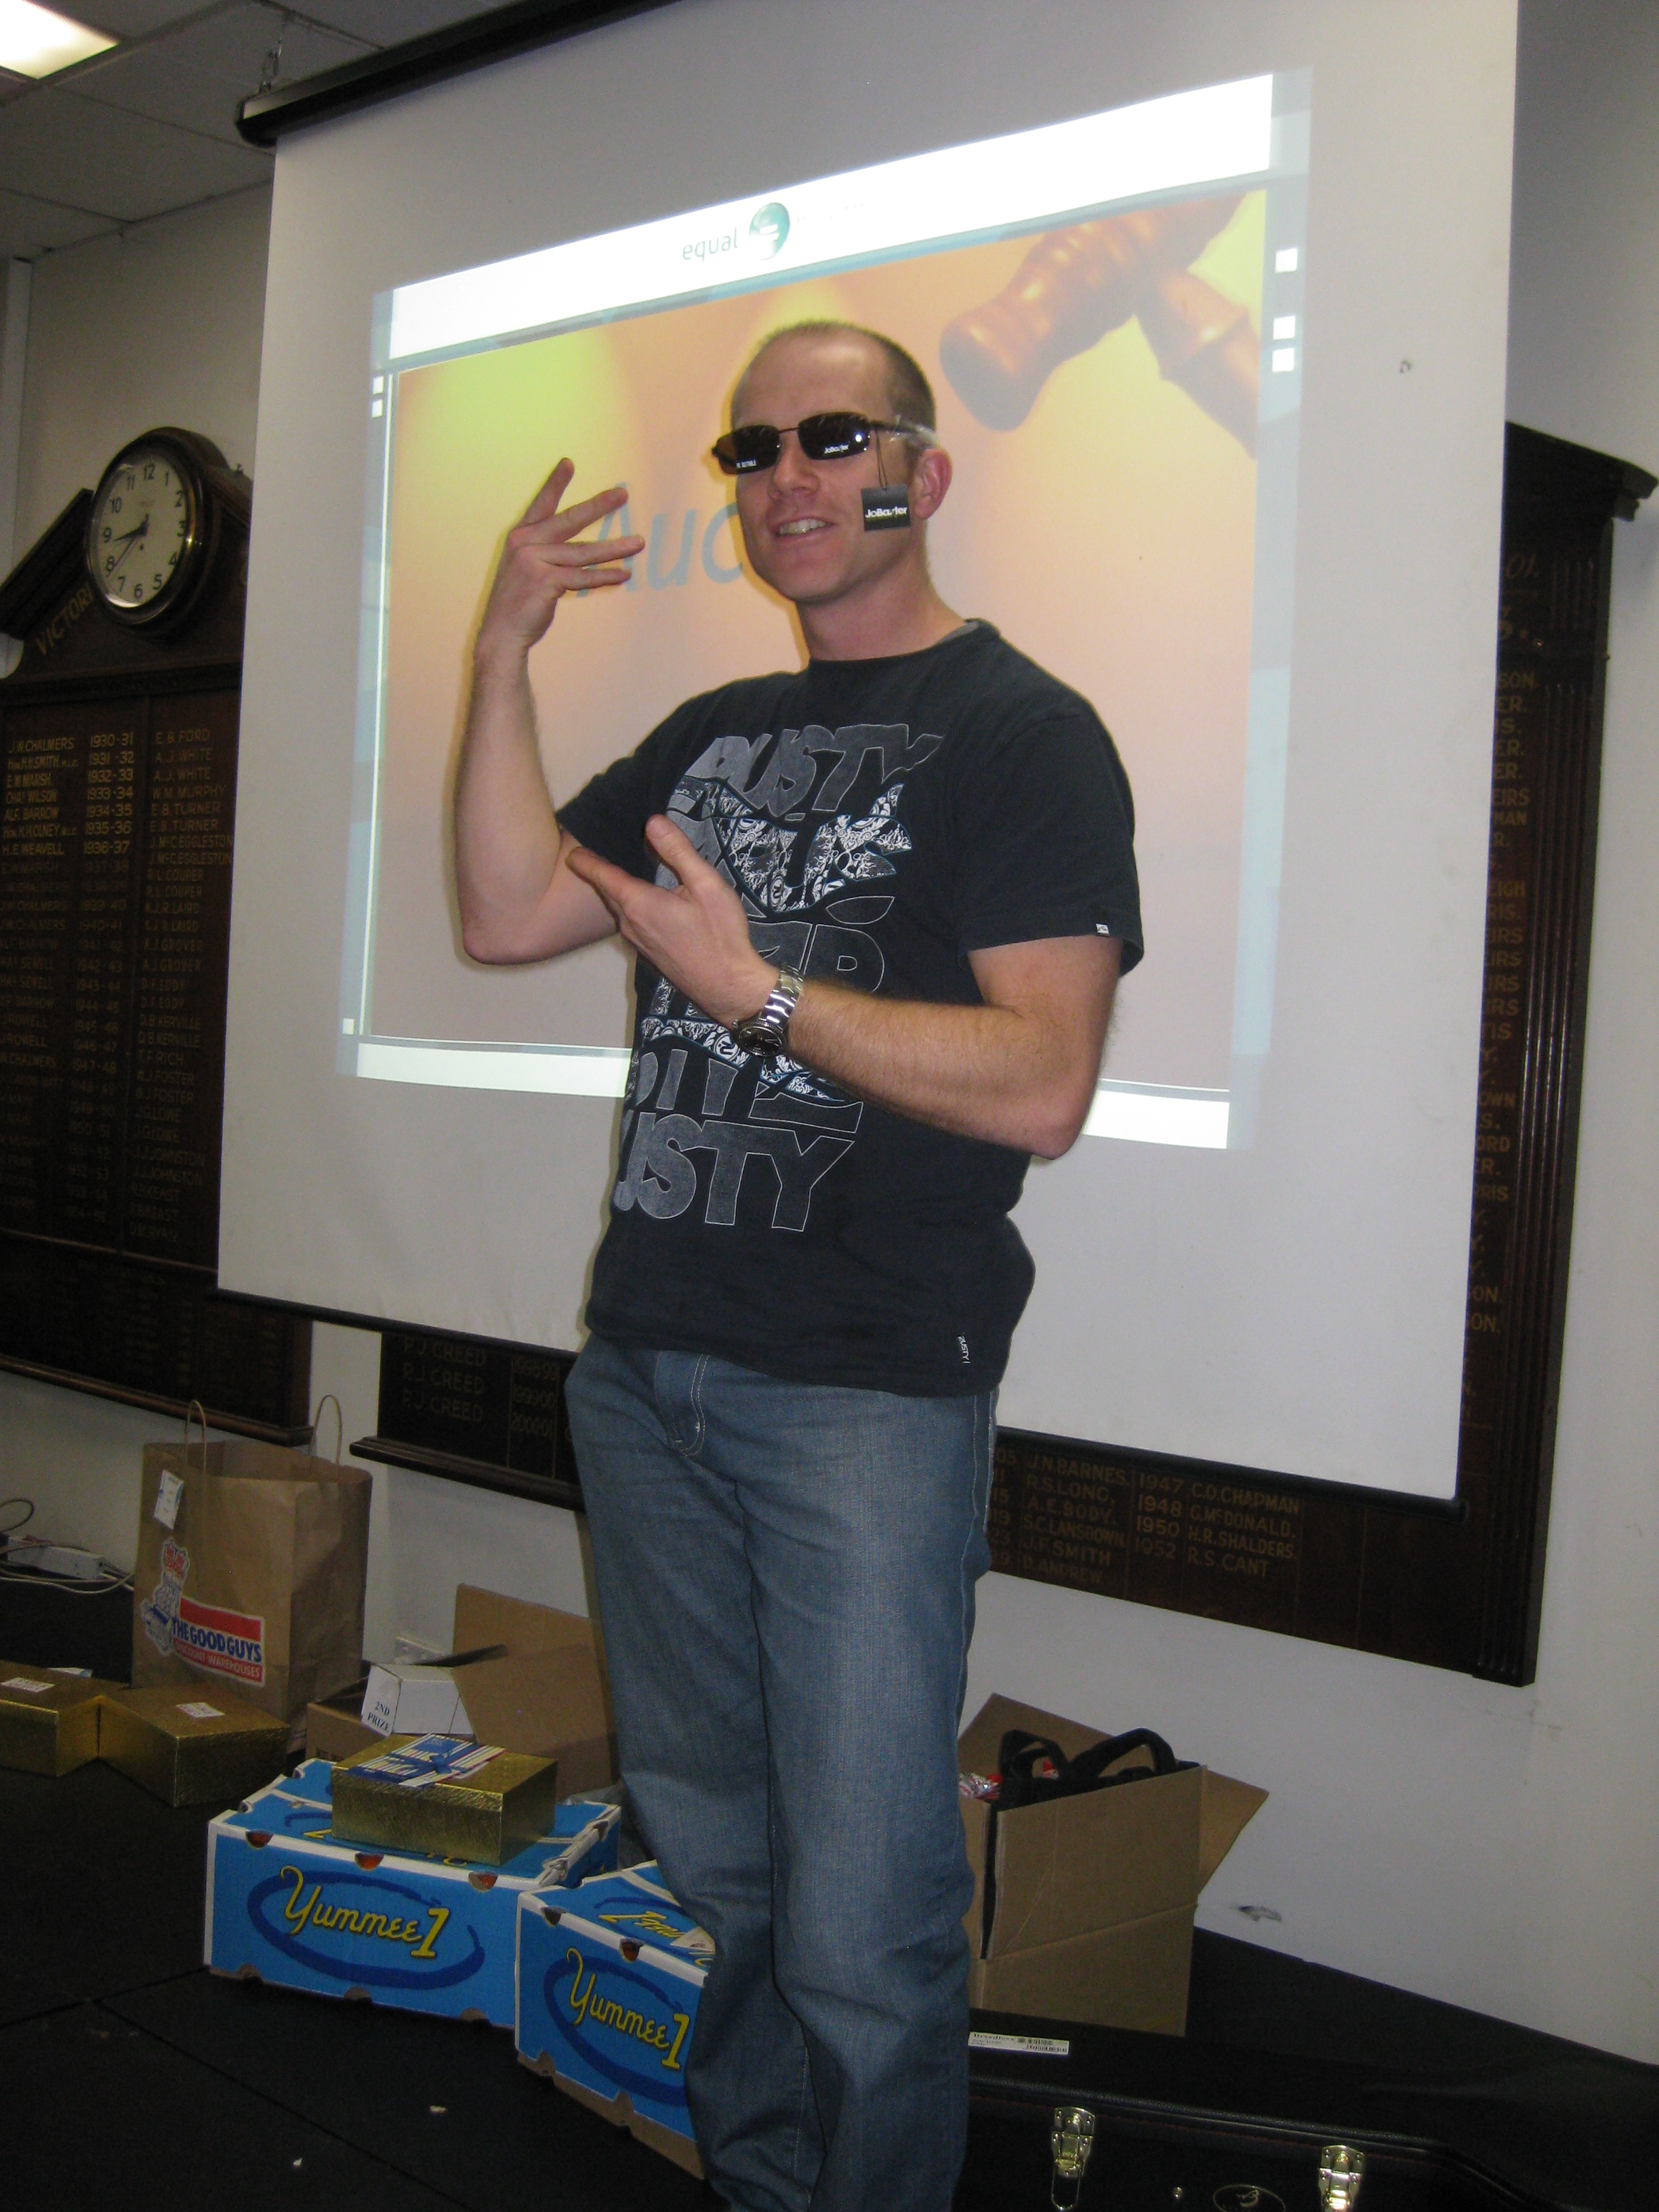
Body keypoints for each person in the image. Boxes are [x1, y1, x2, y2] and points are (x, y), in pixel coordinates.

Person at [453, 321, 1142, 2211]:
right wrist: (503, 651)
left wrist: (755, 993)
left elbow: (1046, 1083)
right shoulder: (714, 733)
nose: (789, 480)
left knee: (863, 1918)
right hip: (646, 1370)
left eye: (835, 438)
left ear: (927, 468)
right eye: (753, 451)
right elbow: (507, 909)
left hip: (860, 1393)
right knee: (725, 1872)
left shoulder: (1026, 735)